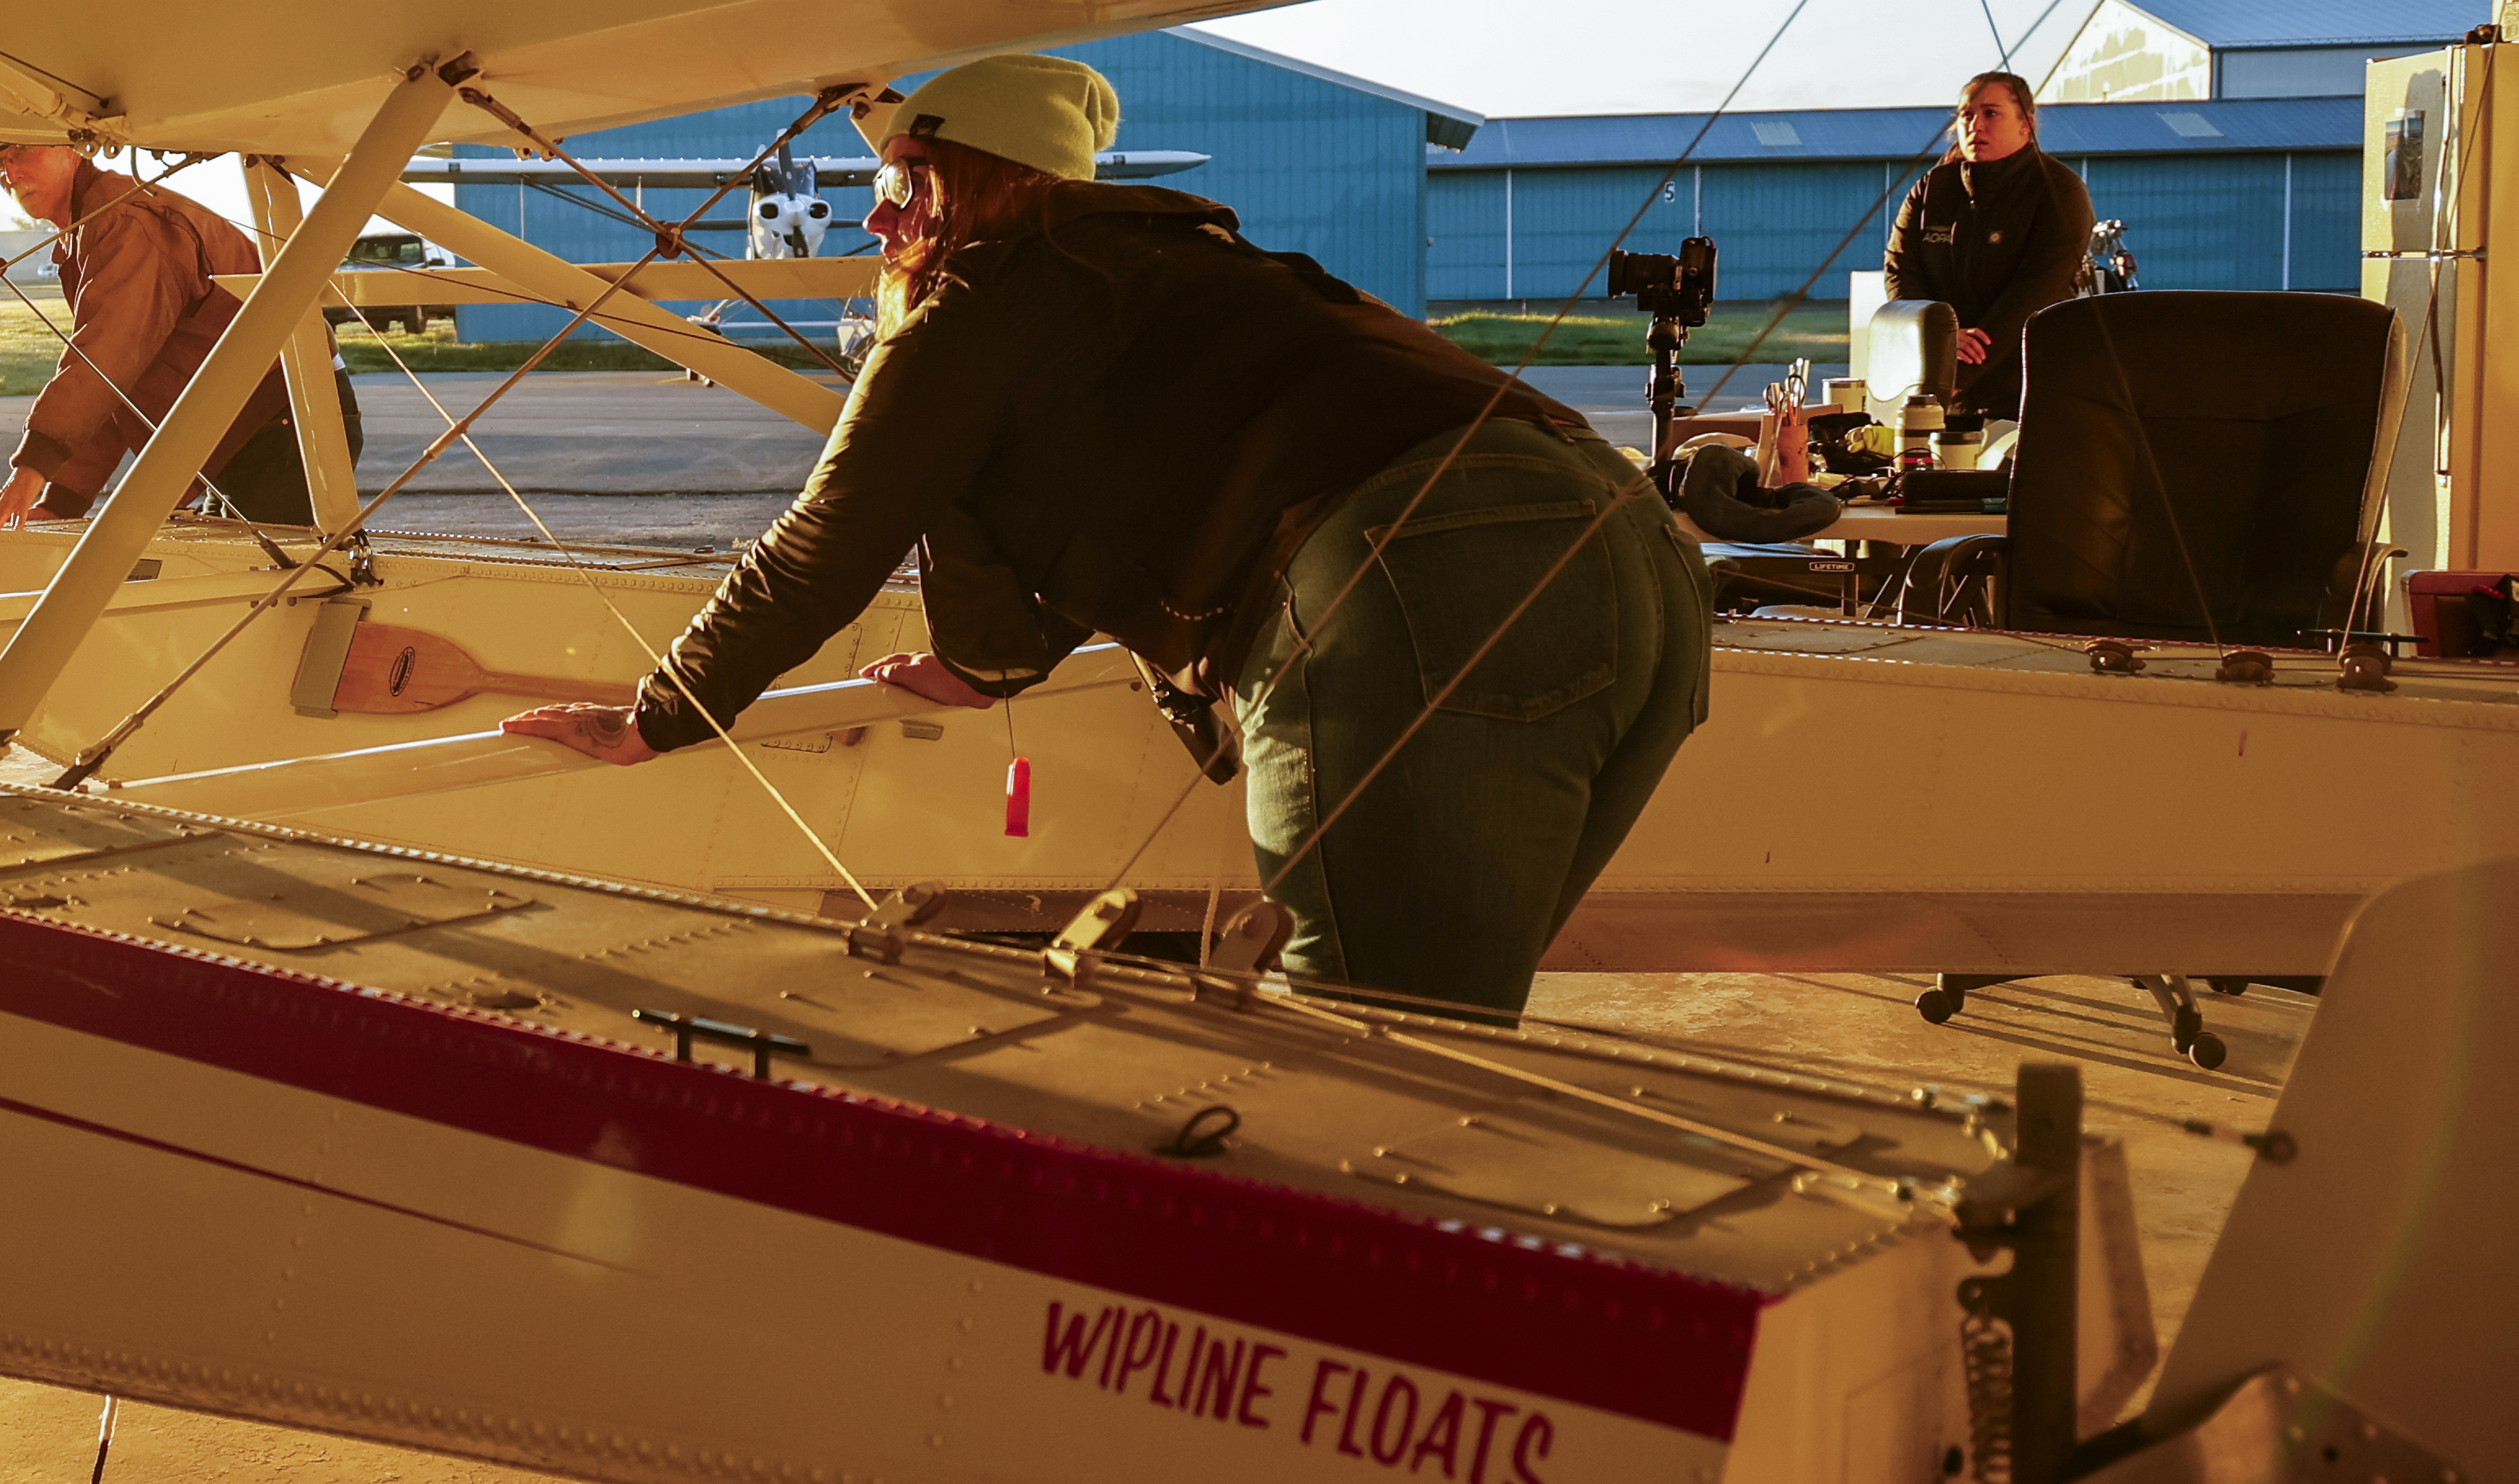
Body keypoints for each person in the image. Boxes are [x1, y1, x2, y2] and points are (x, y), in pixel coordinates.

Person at [497, 55, 1709, 1021]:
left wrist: (659, 712)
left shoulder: (981, 299)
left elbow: (829, 537)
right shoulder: (1183, 265)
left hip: (1415, 579)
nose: (874, 213)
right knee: (1444, 1021)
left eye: (909, 177)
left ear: (989, 182)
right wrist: (980, 665)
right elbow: (1107, 489)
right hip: (1642, 553)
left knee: (1377, 1055)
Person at [0, 140, 355, 541]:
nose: (9, 175)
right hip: (239, 432)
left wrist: (32, 468)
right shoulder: (89, 226)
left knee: (276, 588)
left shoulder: (126, 221)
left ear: (74, 148)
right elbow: (117, 383)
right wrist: (62, 500)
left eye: (21, 154)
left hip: (284, 421)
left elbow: (106, 357)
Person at [1882, 70, 2093, 420]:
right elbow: (1900, 270)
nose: (1975, 125)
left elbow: (2032, 295)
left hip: (2027, 389)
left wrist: (1955, 372)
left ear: (2026, 124)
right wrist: (1938, 336)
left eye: (1991, 113)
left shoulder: (2059, 191)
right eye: (1967, 114)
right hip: (1942, 381)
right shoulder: (1931, 189)